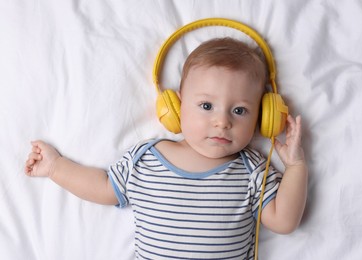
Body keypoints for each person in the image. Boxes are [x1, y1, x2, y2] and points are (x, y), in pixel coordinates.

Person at [25, 38, 308, 259]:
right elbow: (103, 187)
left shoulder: (252, 170)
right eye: (206, 106)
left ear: (263, 117)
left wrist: (296, 167)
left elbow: (283, 221)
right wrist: (55, 167)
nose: (222, 122)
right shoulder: (147, 158)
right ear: (176, 106)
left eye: (240, 110)